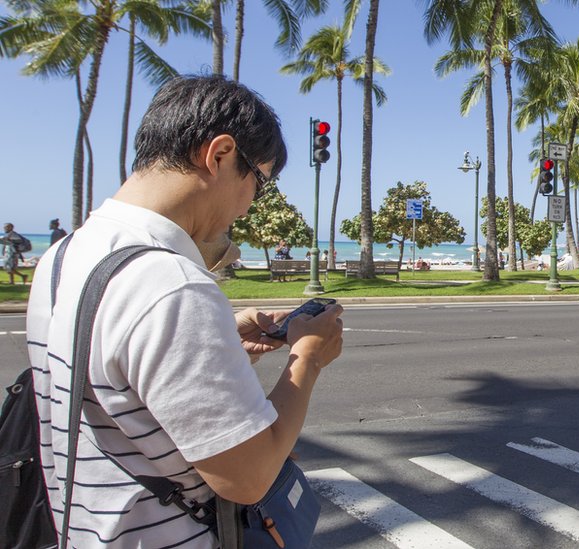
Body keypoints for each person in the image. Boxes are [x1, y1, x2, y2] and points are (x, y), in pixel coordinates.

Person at [26, 75, 345, 547]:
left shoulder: (66, 253)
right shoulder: (171, 286)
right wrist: (309, 358)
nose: (249, 206)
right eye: (258, 181)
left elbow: (112, 388)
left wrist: (220, 346)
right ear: (219, 155)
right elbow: (249, 476)